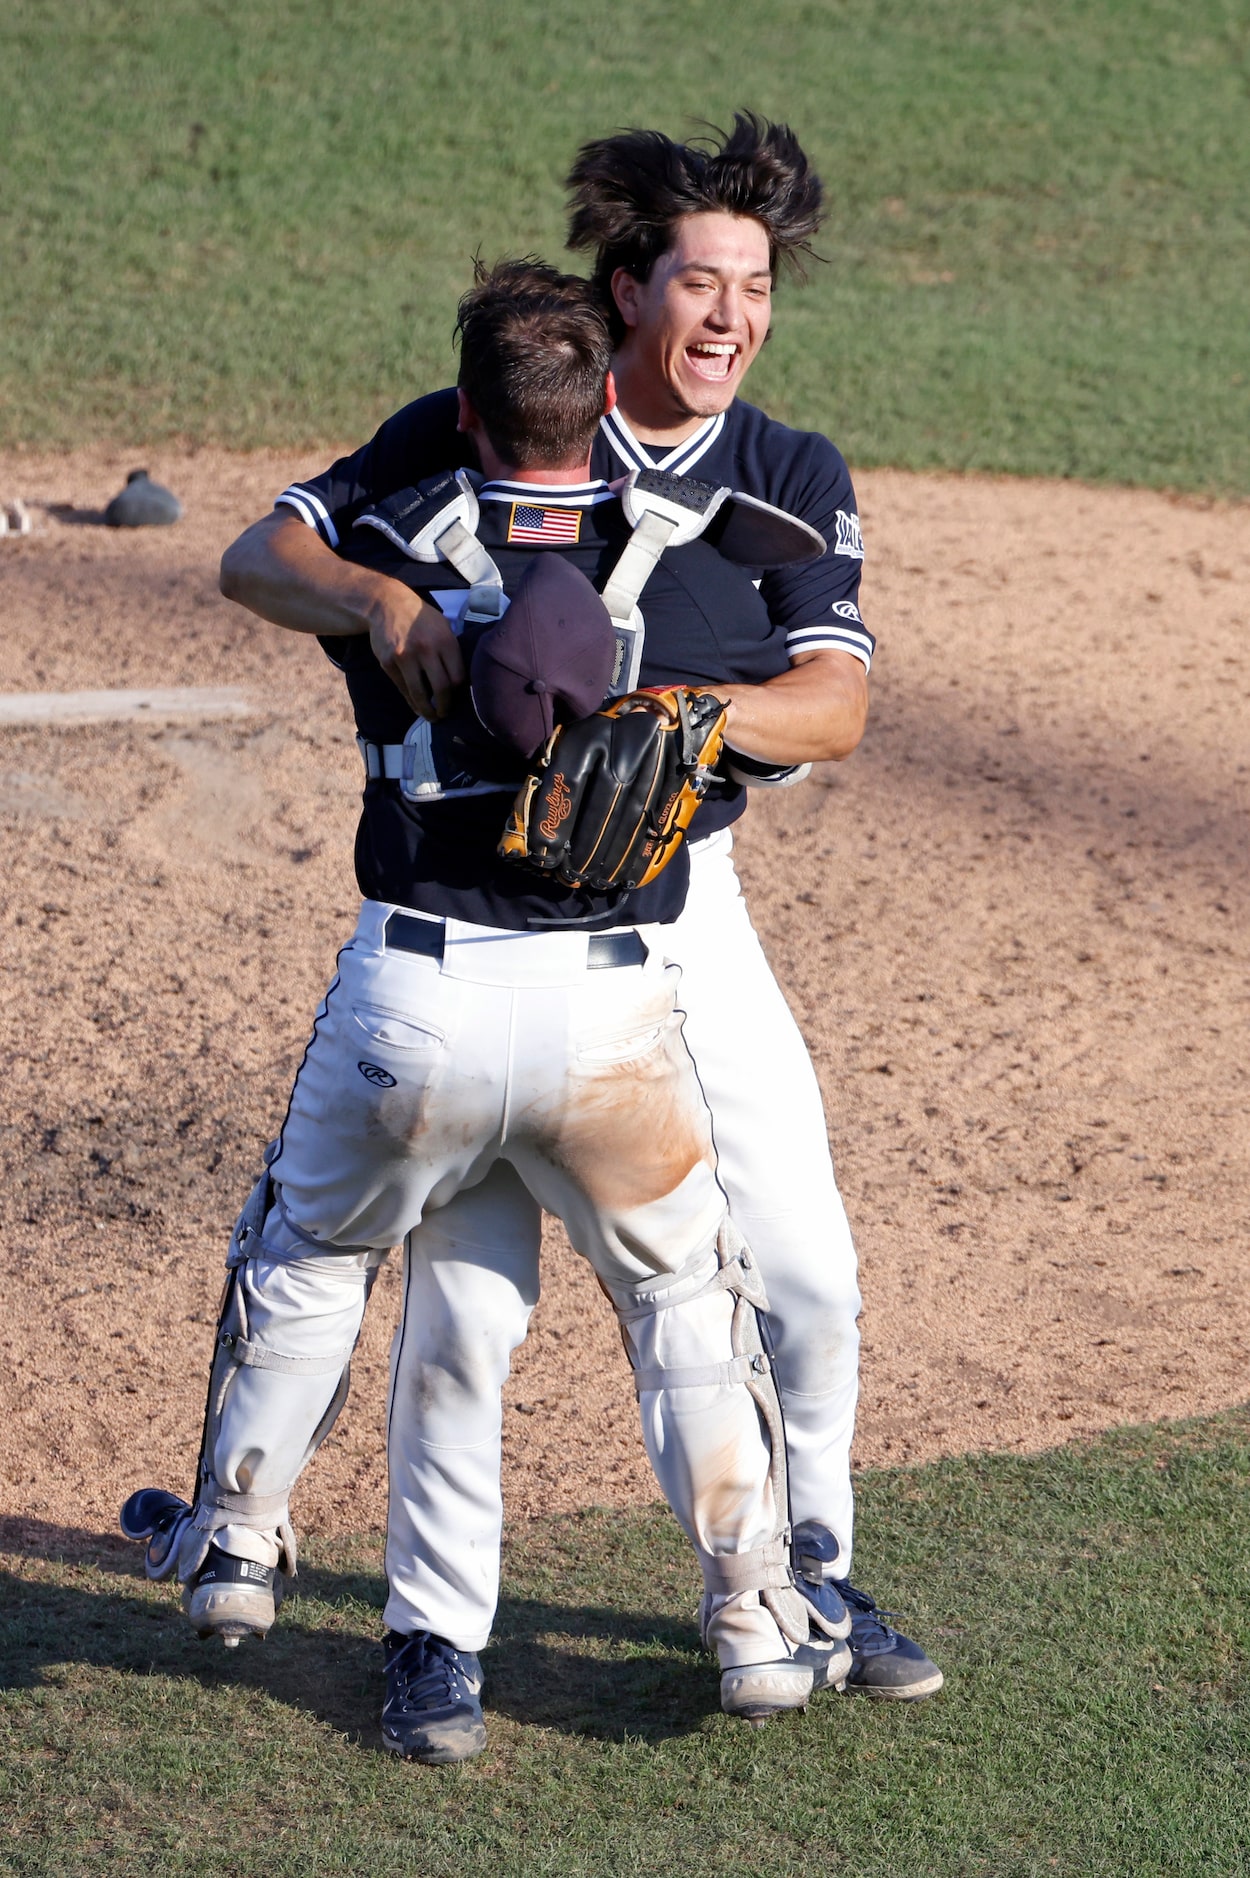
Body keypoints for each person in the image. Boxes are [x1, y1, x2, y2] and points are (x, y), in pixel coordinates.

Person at [214, 114, 942, 1702]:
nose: (731, 317)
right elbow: (266, 555)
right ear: (628, 292)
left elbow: (830, 710)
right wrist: (379, 595)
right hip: (504, 937)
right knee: (468, 1306)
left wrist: (667, 715)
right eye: (700, 282)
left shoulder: (783, 474)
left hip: (690, 914)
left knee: (803, 1270)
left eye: (754, 286)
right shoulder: (517, 421)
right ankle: (432, 1638)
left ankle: (809, 1574)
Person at [122, 260, 860, 1764]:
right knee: (685, 1308)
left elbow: (257, 563)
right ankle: (757, 1617)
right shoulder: (711, 558)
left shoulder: (390, 518)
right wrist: (686, 713)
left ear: (461, 410)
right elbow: (813, 712)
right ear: (605, 404)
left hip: (418, 1004)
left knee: (312, 1255)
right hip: (615, 1026)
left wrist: (387, 597)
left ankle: (236, 1547)